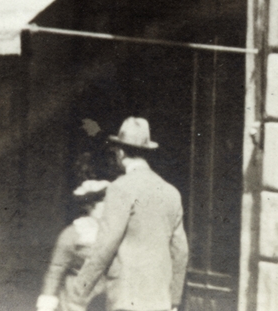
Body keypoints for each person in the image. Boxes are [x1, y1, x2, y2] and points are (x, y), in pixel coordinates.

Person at [68, 119, 188, 311]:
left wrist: (78, 293)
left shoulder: (120, 188)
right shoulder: (171, 192)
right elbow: (181, 251)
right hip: (160, 300)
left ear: (119, 152)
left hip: (126, 297)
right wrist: (174, 300)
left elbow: (105, 246)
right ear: (147, 152)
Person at [38, 179, 110, 311]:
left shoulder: (113, 232)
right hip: (76, 297)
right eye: (105, 202)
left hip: (105, 295)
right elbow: (56, 269)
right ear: (91, 205)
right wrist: (47, 301)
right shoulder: (73, 232)